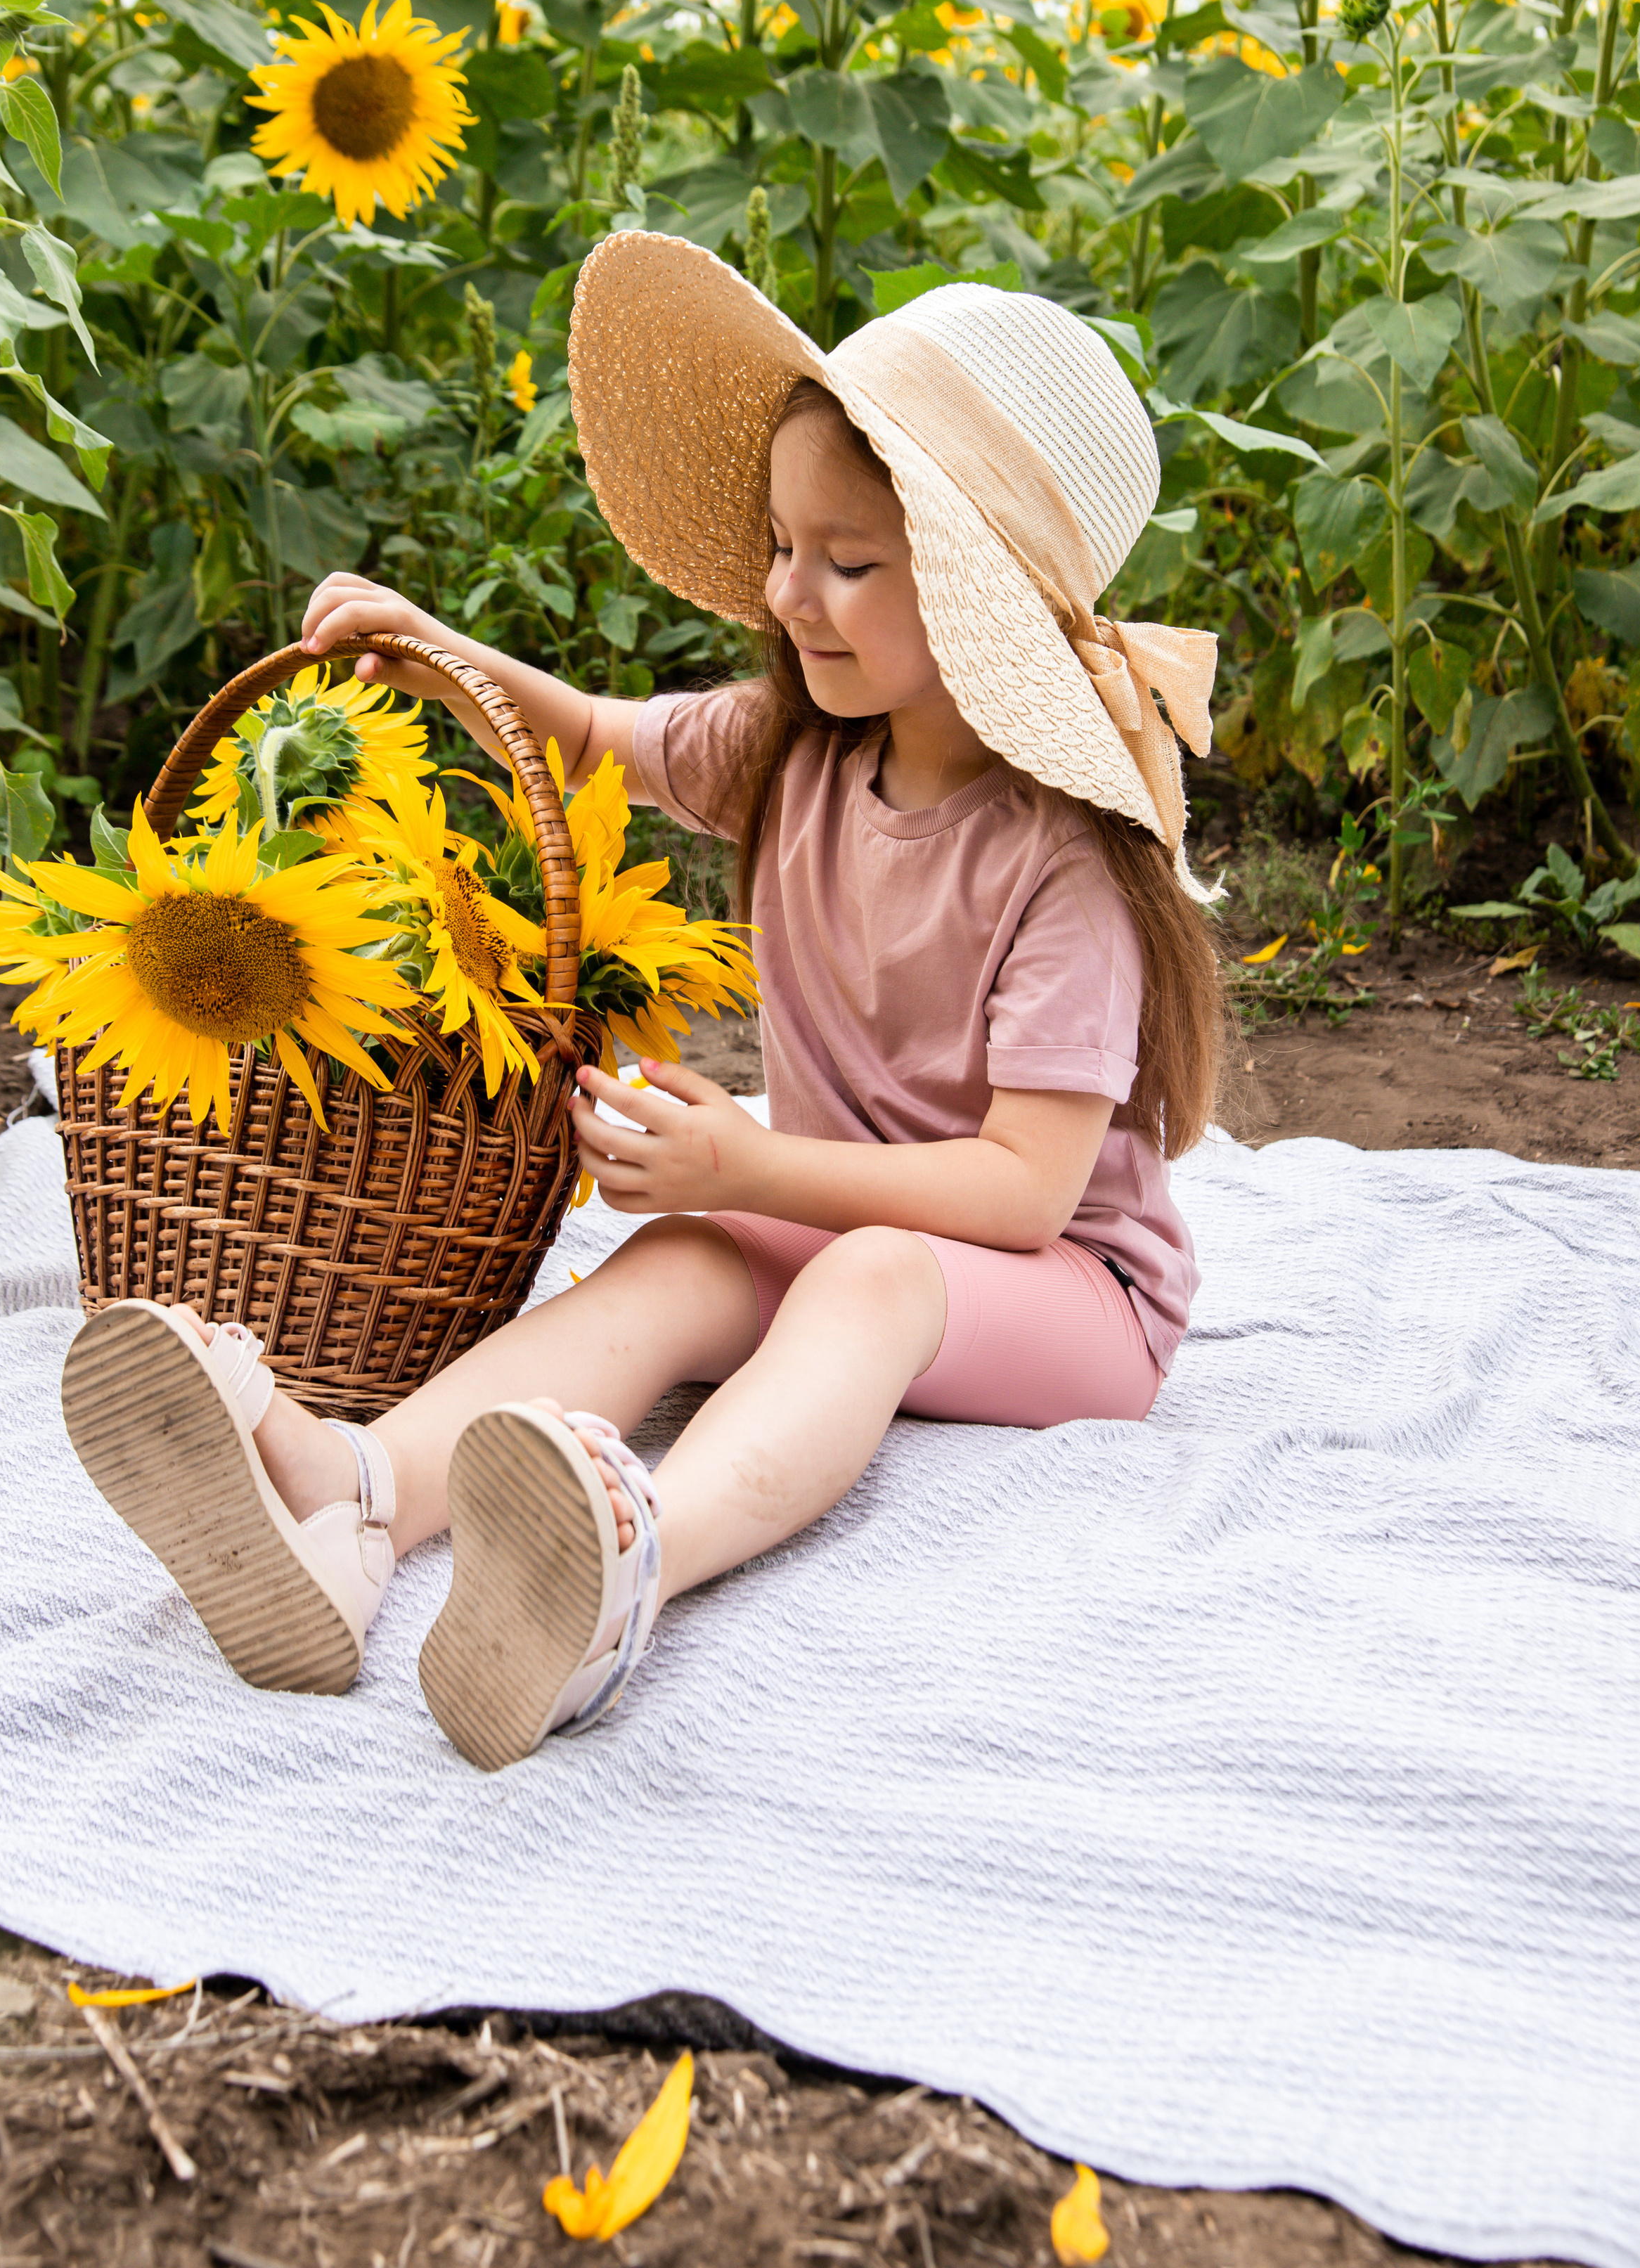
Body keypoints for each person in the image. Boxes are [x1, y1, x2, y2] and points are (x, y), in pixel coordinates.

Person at [60, 234, 1228, 1774]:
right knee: (678, 1264)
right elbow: (604, 732)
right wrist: (441, 658)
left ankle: (624, 1571)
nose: (786, 592)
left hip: (1066, 1297)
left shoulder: (1058, 871)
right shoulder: (795, 749)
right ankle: (356, 1503)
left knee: (867, 1274)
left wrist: (754, 1163)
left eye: (848, 562)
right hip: (851, 1222)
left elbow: (1020, 1199)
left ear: (976, 600)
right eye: (780, 543)